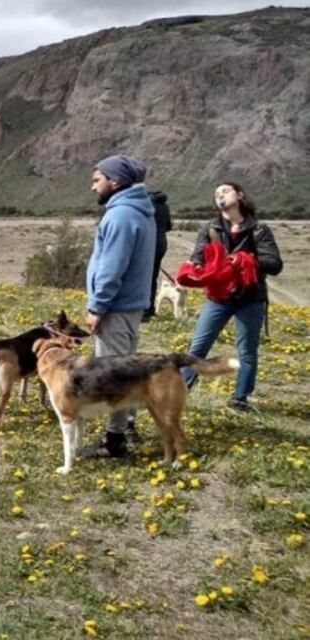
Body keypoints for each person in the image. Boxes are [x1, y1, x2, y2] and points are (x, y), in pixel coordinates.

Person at [180, 182, 283, 413]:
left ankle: (240, 399)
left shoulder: (259, 230)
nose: (220, 196)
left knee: (247, 350)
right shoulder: (210, 229)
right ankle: (180, 391)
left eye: (225, 191)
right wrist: (193, 269)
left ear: (240, 196)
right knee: (197, 347)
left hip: (250, 298)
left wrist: (248, 260)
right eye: (216, 194)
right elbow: (198, 257)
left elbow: (275, 265)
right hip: (218, 298)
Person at [80, 155, 156, 459]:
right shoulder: (138, 211)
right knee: (123, 369)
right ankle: (125, 427)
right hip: (129, 306)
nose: (93, 186)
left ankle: (114, 441)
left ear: (116, 181)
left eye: (98, 179)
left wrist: (97, 306)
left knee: (113, 375)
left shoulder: (121, 215)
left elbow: (112, 268)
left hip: (116, 308)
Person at [142, 190, 172, 321]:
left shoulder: (145, 204)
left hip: (147, 245)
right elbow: (168, 226)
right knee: (152, 278)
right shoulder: (164, 205)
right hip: (161, 245)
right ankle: (149, 309)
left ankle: (143, 311)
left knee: (142, 278)